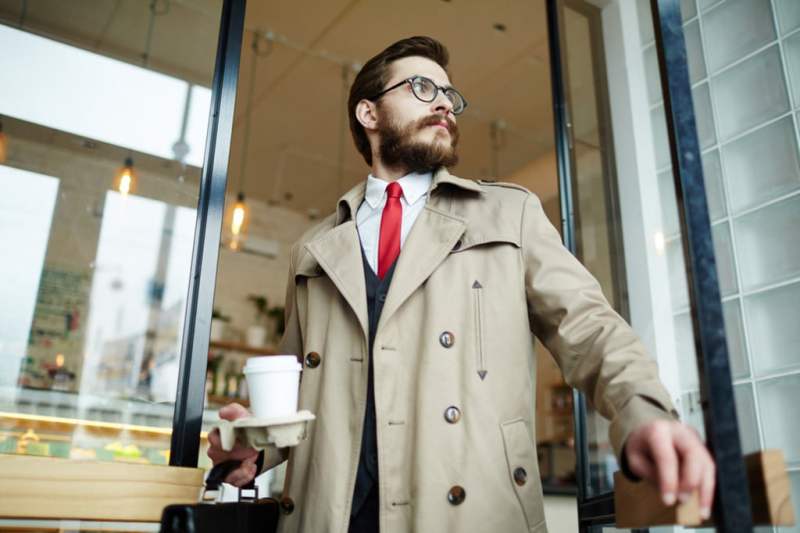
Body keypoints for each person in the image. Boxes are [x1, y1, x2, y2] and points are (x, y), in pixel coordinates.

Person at [207, 36, 715, 533]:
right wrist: (255, 445)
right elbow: (299, 393)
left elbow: (590, 328)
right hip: (333, 517)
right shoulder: (313, 249)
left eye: (450, 96)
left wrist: (643, 412)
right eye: (423, 88)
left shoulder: (508, 213)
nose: (446, 105)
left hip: (465, 511)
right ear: (369, 113)